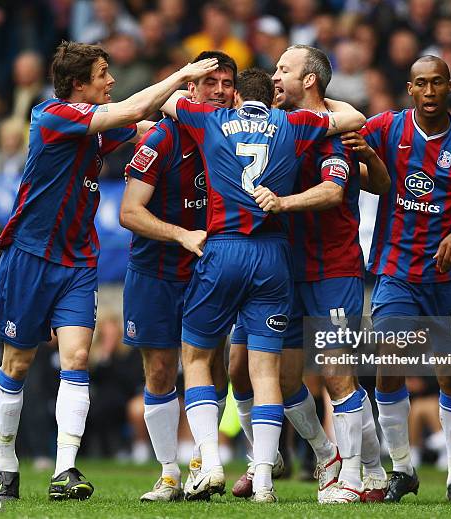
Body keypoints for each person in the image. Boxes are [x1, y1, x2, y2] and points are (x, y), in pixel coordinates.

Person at [0, 40, 218, 501]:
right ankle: (6, 464)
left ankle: (65, 470)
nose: (111, 81)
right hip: (30, 256)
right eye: (103, 74)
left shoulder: (96, 125)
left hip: (77, 260)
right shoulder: (51, 115)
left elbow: (144, 122)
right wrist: (179, 74)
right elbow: (129, 110)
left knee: (76, 359)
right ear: (79, 84)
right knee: (17, 363)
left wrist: (196, 108)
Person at [160, 67, 366, 502]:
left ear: (236, 99)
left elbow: (164, 102)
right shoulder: (292, 123)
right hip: (274, 254)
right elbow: (351, 118)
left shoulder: (209, 119)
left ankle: (210, 463)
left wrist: (188, 76)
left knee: (196, 356)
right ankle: (266, 482)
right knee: (265, 370)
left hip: (224, 248)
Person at [228, 44, 390, 504]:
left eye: (284, 70)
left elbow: (334, 191)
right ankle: (330, 456)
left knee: (338, 375)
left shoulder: (333, 134)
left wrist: (283, 203)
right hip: (284, 267)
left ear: (310, 80)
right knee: (283, 379)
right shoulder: (282, 127)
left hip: (333, 268)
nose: (274, 77)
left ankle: (355, 477)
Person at [352, 55, 451, 504]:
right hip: (397, 273)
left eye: (438, 82)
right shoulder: (386, 129)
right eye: (422, 84)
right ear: (410, 89)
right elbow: (345, 132)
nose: (430, 91)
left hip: (449, 280)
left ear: (450, 87)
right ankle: (402, 469)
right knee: (389, 367)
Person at [119, 50, 237, 502]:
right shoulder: (163, 139)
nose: (221, 91)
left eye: (227, 83)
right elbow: (129, 212)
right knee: (161, 371)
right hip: (155, 270)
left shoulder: (234, 137)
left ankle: (200, 464)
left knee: (212, 368)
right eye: (212, 83)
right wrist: (181, 235)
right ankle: (168, 473)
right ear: (191, 88)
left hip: (210, 270)